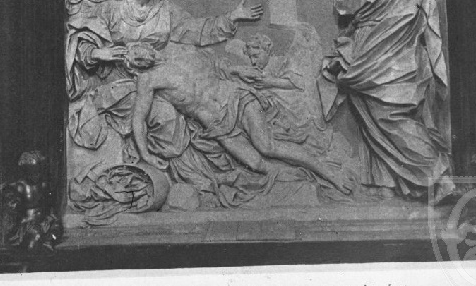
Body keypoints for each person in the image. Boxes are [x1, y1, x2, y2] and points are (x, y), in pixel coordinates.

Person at [66, 0, 262, 151]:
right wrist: (99, 53)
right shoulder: (113, 8)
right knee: (166, 119)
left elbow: (195, 29)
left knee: (187, 111)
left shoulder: (164, 11)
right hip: (120, 76)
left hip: (157, 74)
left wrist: (231, 18)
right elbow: (83, 36)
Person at [318, 0, 456, 201]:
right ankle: (403, 185)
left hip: (376, 61)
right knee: (380, 120)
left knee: (388, 119)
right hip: (399, 61)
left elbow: (344, 5)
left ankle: (437, 174)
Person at [131, 41, 352, 194]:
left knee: (267, 146)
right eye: (132, 58)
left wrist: (238, 70)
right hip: (216, 124)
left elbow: (218, 64)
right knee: (256, 164)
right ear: (134, 66)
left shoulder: (183, 53)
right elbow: (138, 119)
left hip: (234, 98)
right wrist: (146, 155)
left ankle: (330, 174)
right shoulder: (148, 80)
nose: (137, 55)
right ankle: (305, 179)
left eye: (136, 50)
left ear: (149, 47)